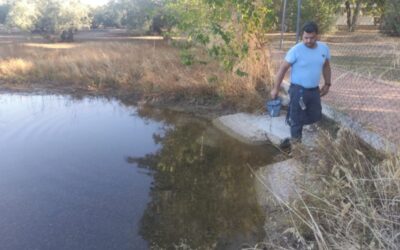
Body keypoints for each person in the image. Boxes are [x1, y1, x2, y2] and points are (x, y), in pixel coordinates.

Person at [271, 21, 331, 145]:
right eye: (305, 38)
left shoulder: (324, 49)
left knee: (315, 115)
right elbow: (282, 69)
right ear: (302, 36)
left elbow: (326, 66)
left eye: (312, 38)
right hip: (298, 90)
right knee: (297, 119)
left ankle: (292, 119)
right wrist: (275, 88)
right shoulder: (296, 50)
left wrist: (327, 83)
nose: (308, 41)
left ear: (317, 36)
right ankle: (296, 145)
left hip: (314, 90)